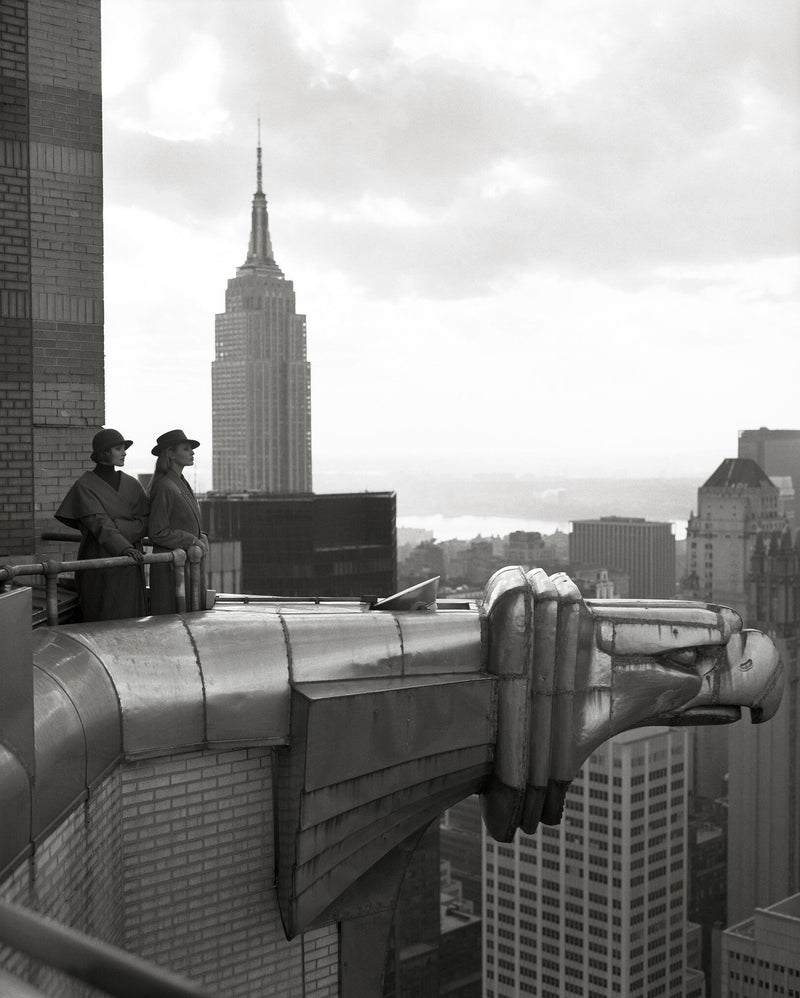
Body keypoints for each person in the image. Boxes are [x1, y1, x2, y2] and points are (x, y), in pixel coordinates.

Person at [55, 428, 149, 621]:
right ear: (104, 453)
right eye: (118, 448)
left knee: (132, 616)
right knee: (103, 614)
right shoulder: (85, 486)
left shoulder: (132, 484)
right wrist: (124, 546)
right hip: (100, 558)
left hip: (131, 560)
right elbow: (99, 524)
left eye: (124, 448)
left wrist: (119, 529)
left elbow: (146, 520)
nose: (124, 453)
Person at [147, 429, 209, 614]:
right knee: (172, 620)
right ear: (171, 454)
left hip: (187, 564)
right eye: (186, 448)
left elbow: (184, 522)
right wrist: (191, 540)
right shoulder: (165, 486)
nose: (192, 452)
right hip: (171, 568)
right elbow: (157, 532)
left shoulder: (180, 482)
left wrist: (201, 536)